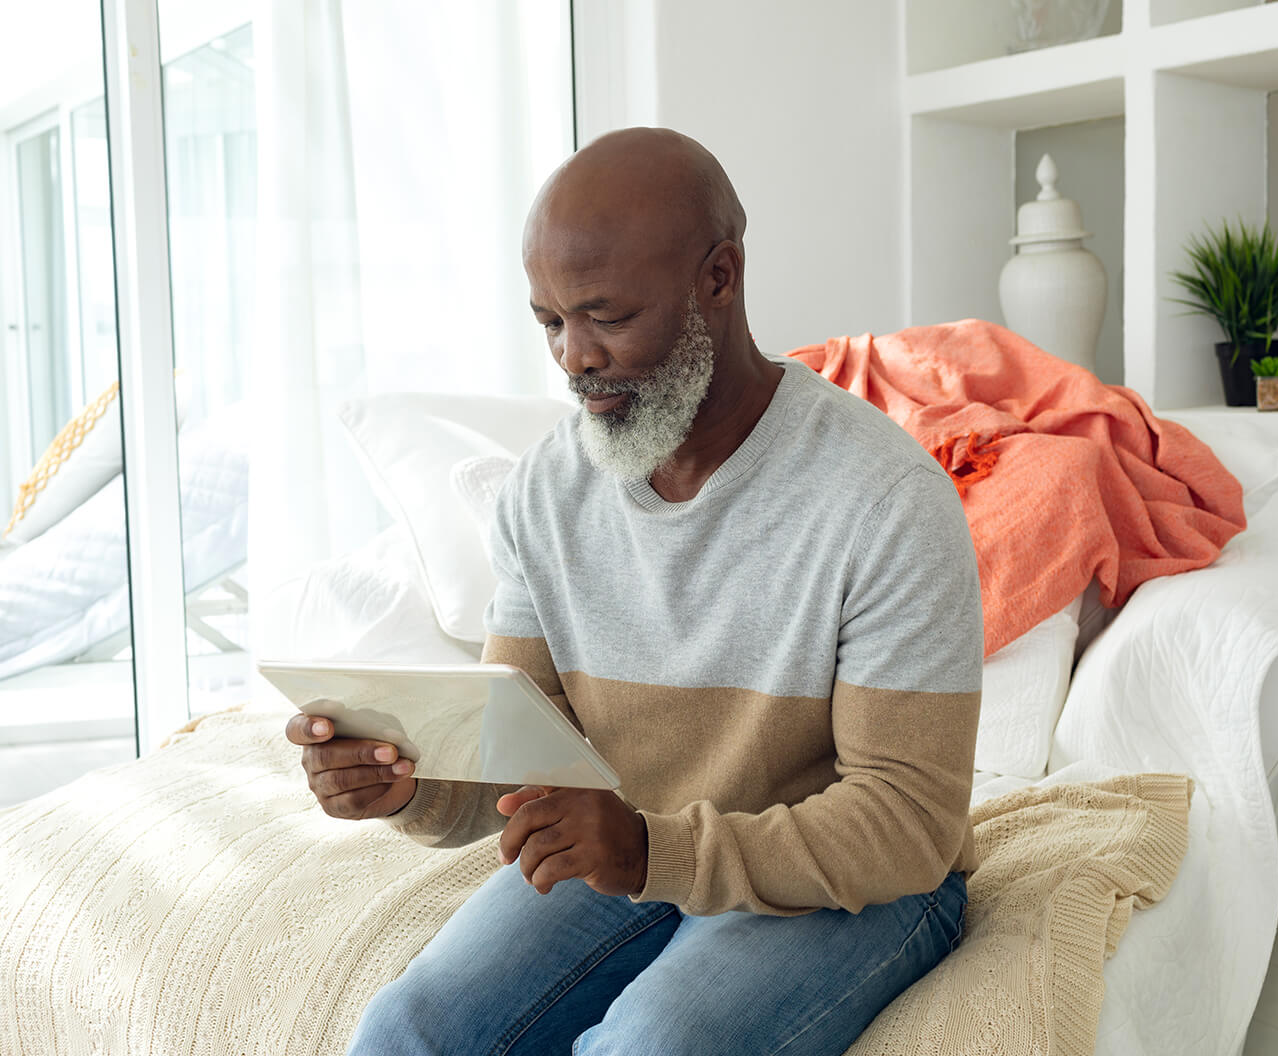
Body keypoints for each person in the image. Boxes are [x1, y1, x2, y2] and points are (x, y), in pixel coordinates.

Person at [287, 127, 984, 1056]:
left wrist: (655, 853)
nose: (574, 356)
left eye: (606, 317)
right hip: (635, 846)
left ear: (719, 279)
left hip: (858, 880)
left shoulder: (884, 501)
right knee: (405, 1031)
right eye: (550, 322)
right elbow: (517, 757)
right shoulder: (546, 493)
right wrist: (401, 787)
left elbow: (909, 822)